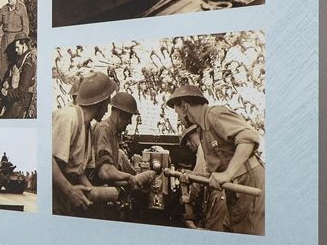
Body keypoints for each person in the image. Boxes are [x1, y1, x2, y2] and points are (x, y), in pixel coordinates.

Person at [166, 84, 264, 235]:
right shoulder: (202, 130)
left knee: (248, 236)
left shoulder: (215, 114)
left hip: (248, 183)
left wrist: (228, 174)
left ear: (185, 106)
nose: (178, 118)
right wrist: (193, 176)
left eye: (177, 111)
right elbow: (216, 173)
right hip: (234, 189)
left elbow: (248, 138)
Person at [52, 72, 116, 215]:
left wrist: (93, 192)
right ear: (100, 102)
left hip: (63, 194)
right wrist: (69, 190)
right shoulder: (69, 117)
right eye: (107, 102)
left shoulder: (87, 128)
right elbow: (48, 160)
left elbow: (78, 173)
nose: (107, 109)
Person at [90, 91, 152, 189]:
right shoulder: (103, 130)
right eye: (129, 118)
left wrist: (132, 179)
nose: (130, 122)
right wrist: (130, 177)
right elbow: (105, 172)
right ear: (120, 115)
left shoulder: (113, 133)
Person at [0, 37, 36, 119]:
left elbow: (22, 91)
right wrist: (7, 81)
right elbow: (16, 73)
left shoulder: (27, 64)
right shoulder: (21, 58)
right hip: (18, 95)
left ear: (24, 45)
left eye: (17, 47)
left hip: (23, 99)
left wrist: (8, 93)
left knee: (4, 121)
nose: (16, 50)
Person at [0, 0, 30, 73]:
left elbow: (26, 27)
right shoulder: (4, 8)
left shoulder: (22, 8)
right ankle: (3, 84)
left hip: (16, 39)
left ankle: (15, 86)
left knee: (16, 65)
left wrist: (22, 42)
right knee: (4, 64)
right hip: (5, 39)